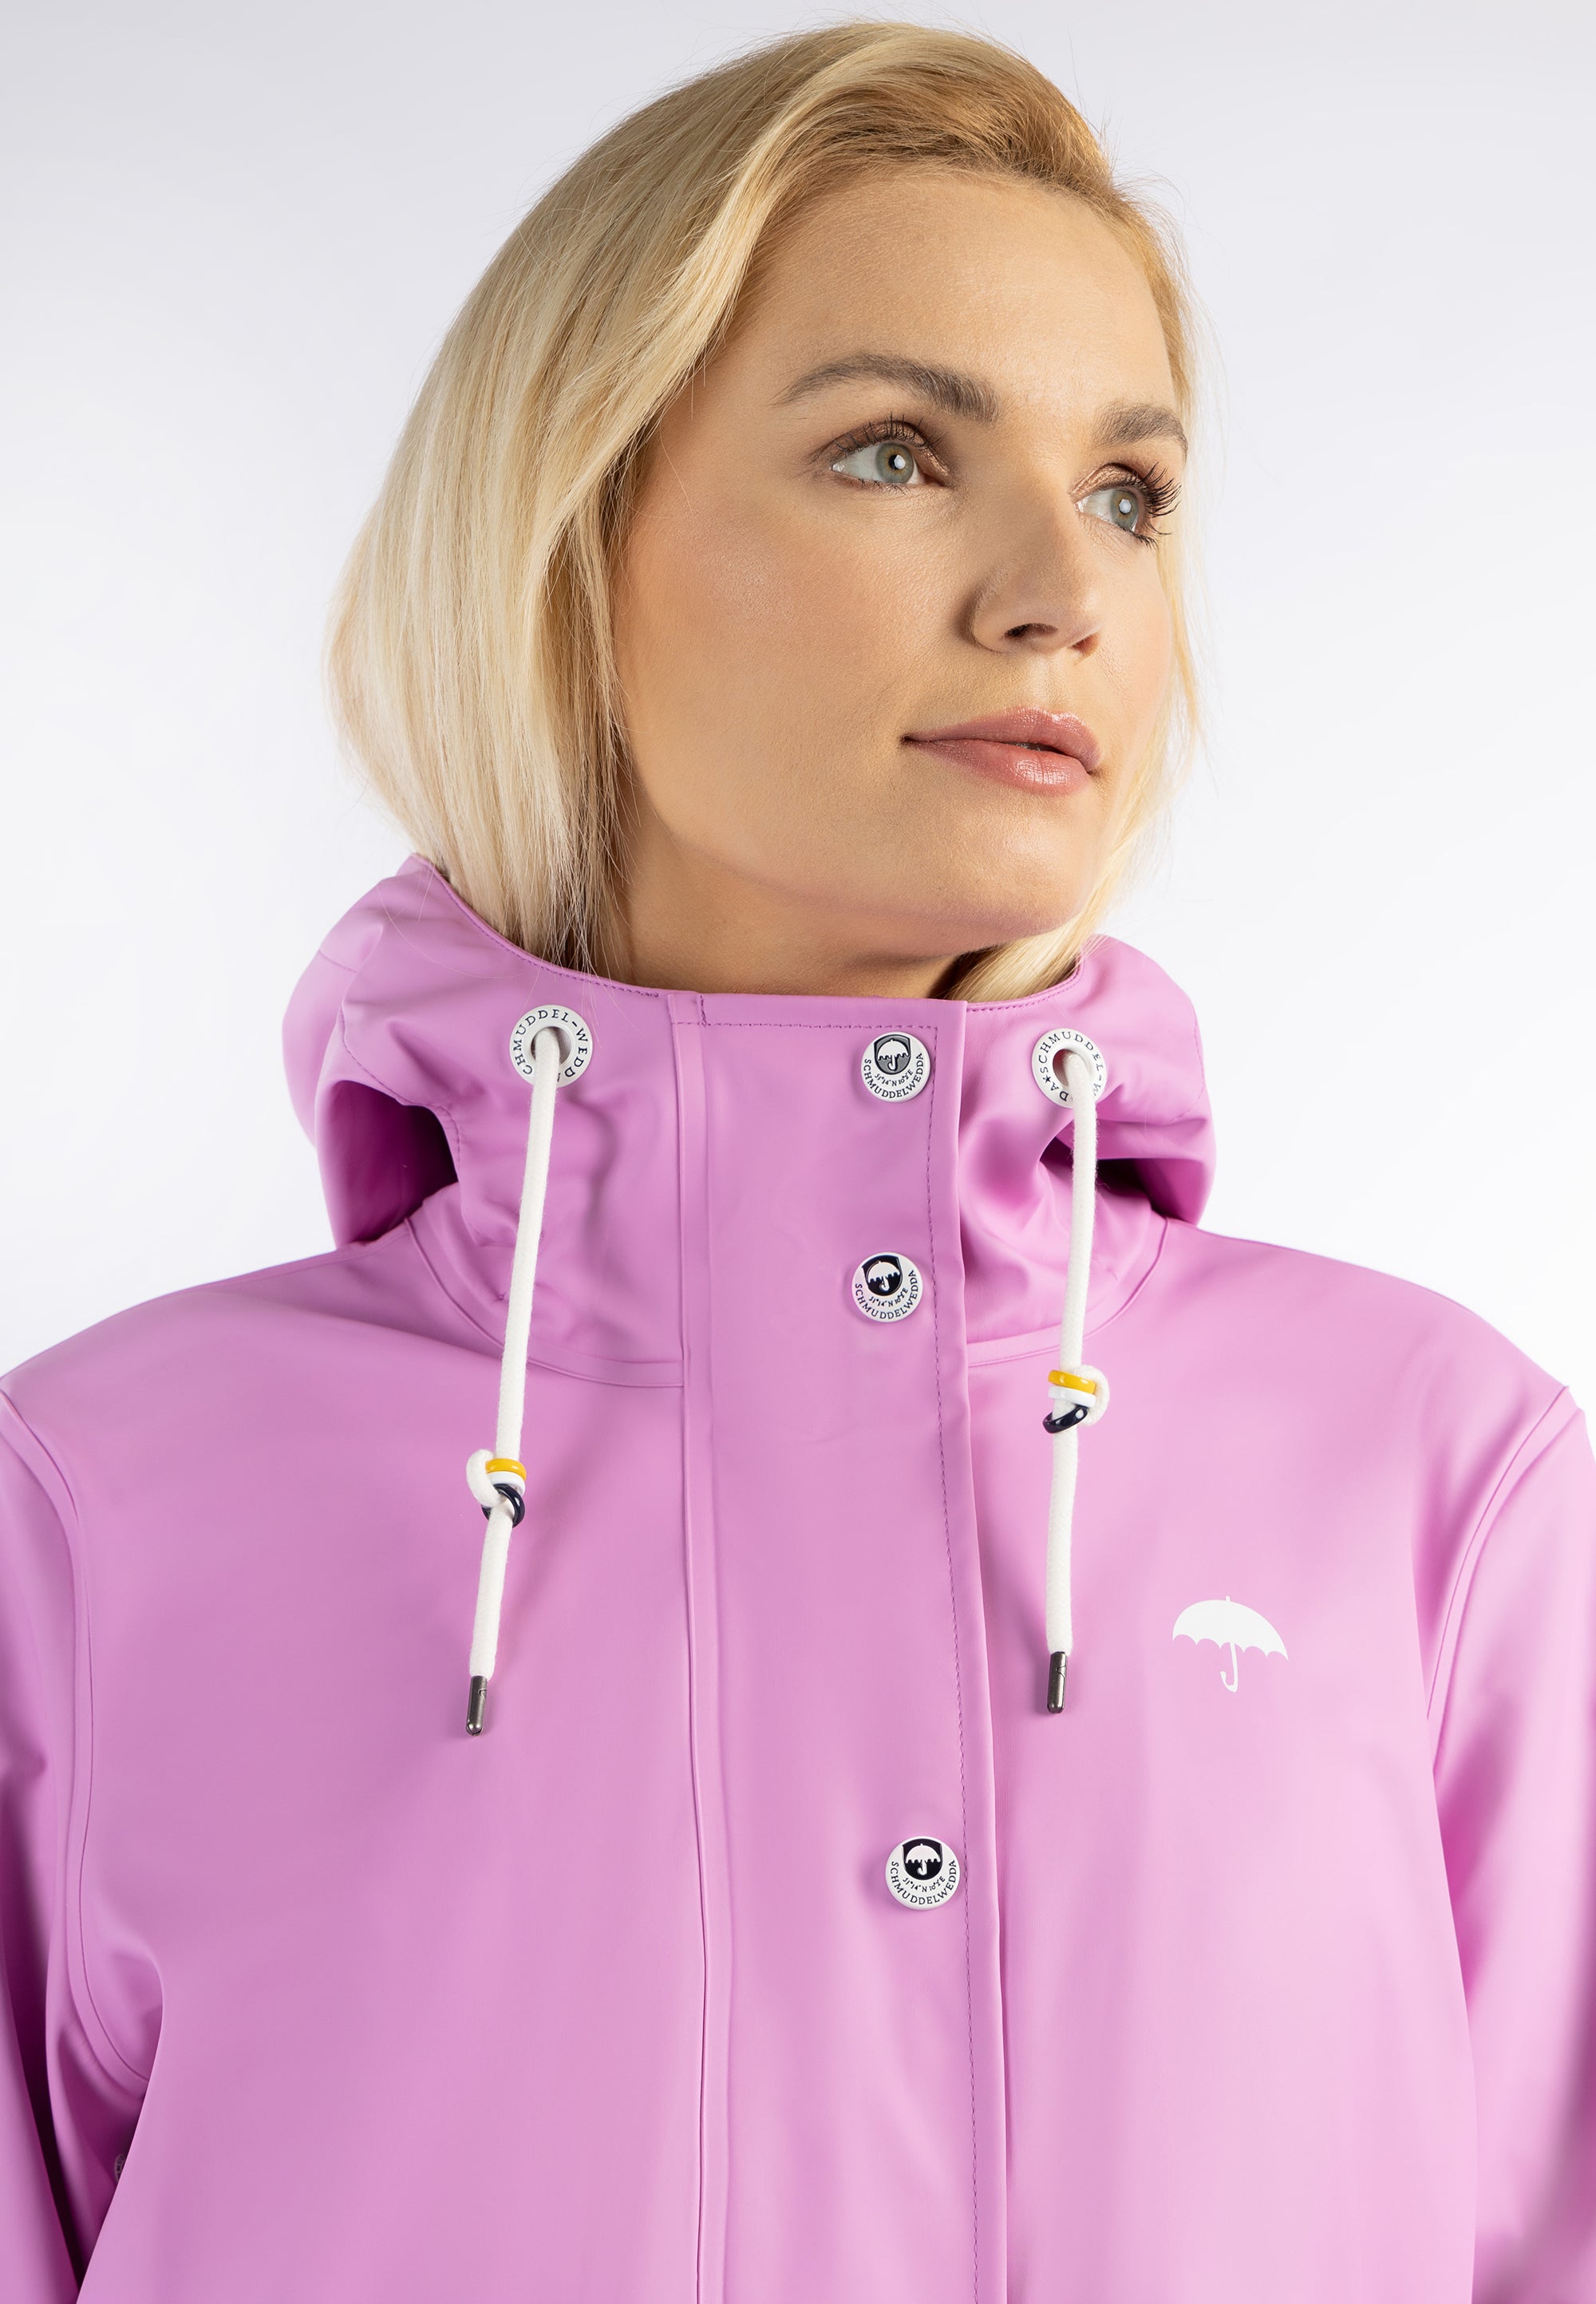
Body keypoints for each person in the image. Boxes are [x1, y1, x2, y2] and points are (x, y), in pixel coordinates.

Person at [2, 19, 1591, 2302]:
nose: (1060, 587)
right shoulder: (97, 1516)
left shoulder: (1434, 1484)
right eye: (892, 453)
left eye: (1131, 493)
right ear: (570, 547)